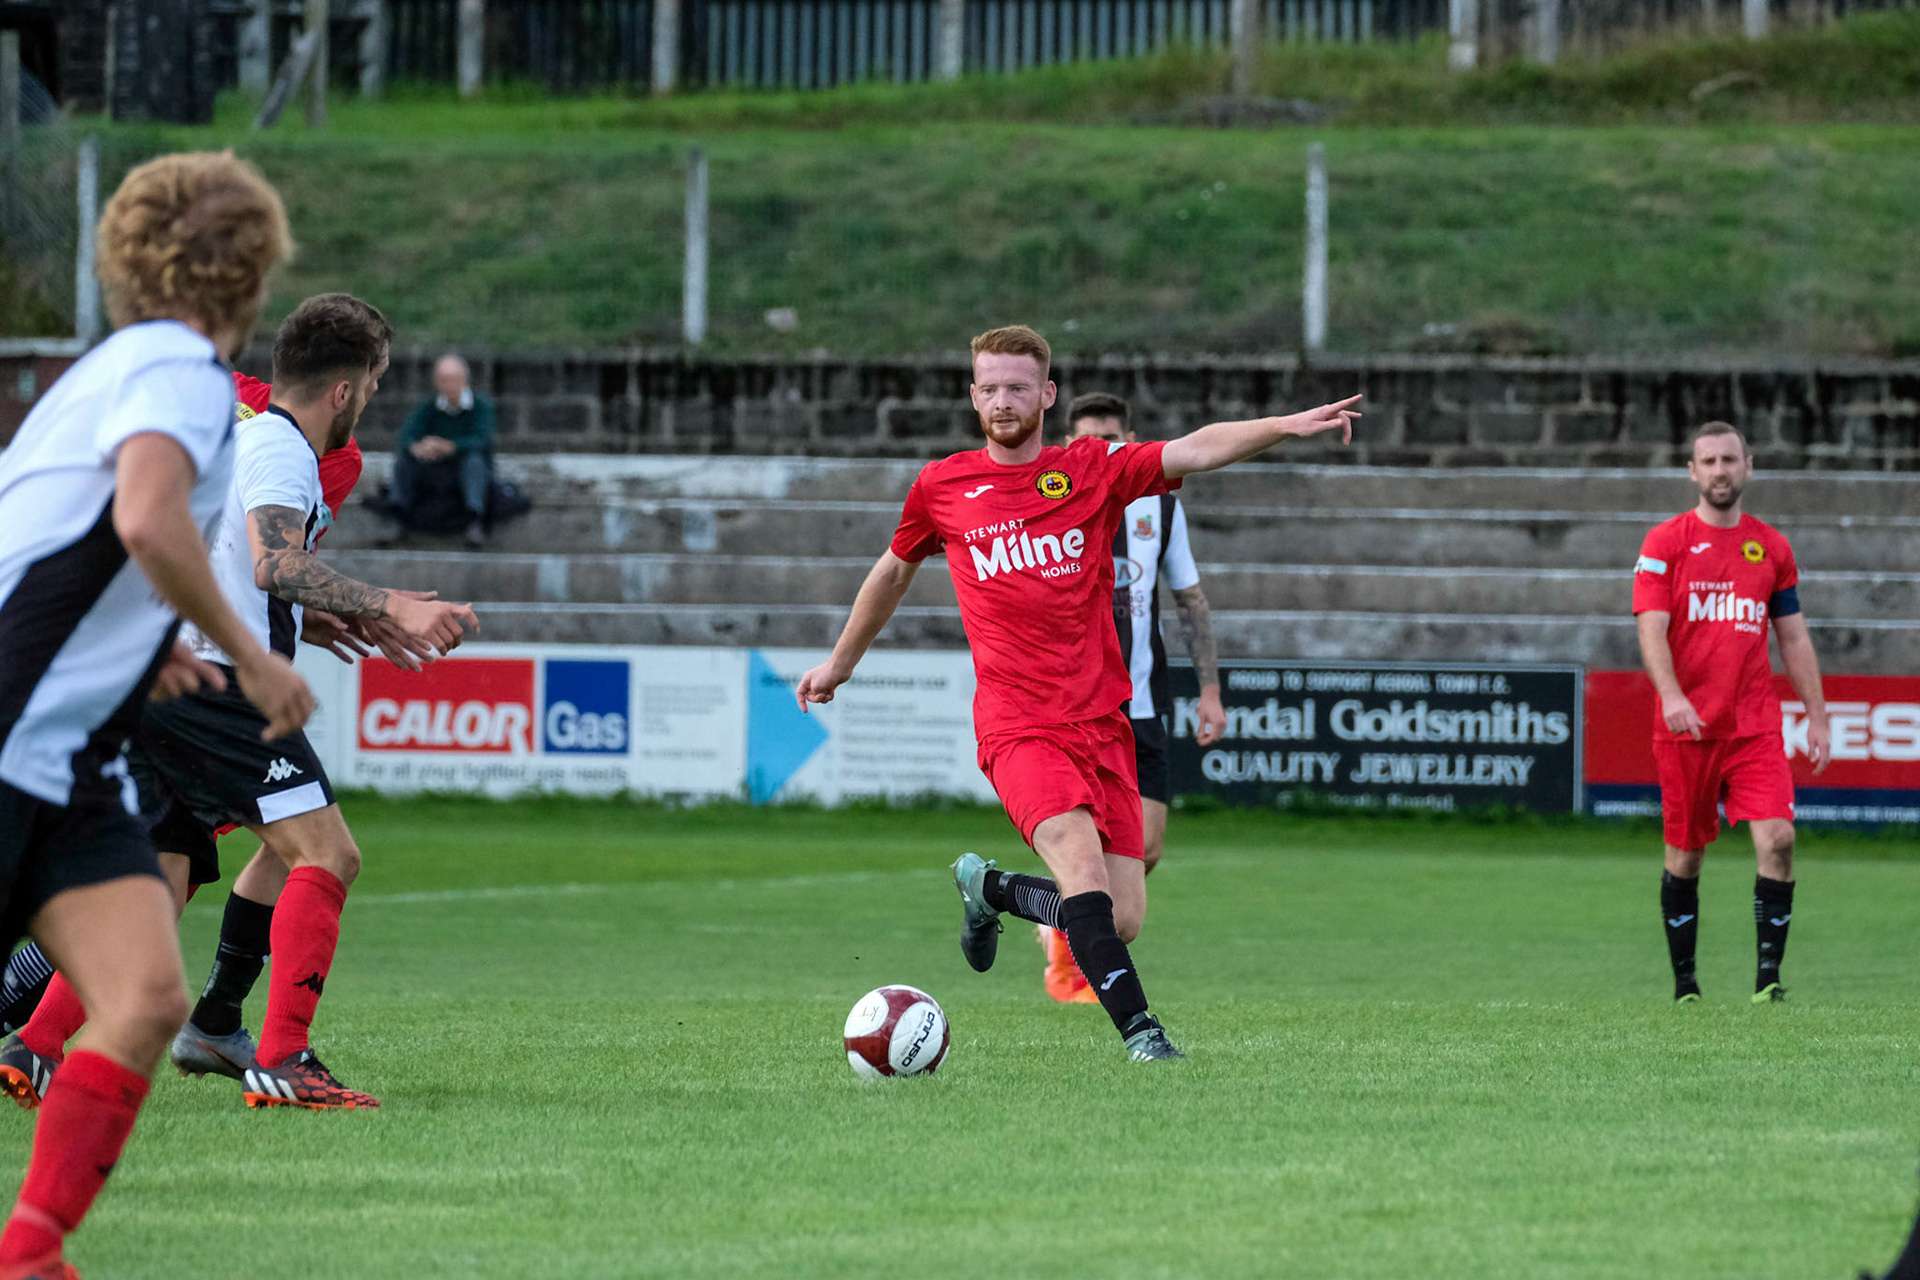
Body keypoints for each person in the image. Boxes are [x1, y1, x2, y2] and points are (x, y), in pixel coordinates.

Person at [796, 325, 1359, 1062]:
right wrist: (841, 662)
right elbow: (894, 570)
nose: (1003, 401)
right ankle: (1144, 1035)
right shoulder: (943, 487)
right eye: (990, 388)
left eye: (1018, 388)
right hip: (1018, 725)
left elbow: (1193, 448)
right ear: (973, 396)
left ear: (1046, 395)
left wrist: (1283, 427)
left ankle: (991, 888)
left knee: (1118, 917)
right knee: (1081, 871)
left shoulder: (1090, 471)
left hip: (1102, 723)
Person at [0, 149, 309, 1277]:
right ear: (254, 265)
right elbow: (142, 513)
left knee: (142, 994)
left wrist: (154, 647)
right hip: (12, 736)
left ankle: (29, 1256)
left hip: (60, 756)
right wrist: (245, 660)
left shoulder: (112, 369)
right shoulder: (180, 368)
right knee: (137, 994)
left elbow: (57, 539)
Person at [0, 362, 439, 1108]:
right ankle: (283, 1058)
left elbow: (223, 542)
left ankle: (38, 1044)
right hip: (217, 677)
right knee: (326, 853)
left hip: (158, 664)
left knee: (167, 875)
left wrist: (309, 612)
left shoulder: (209, 409)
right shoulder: (288, 441)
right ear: (344, 383)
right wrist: (386, 602)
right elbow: (274, 561)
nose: (373, 396)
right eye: (374, 379)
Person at [1031, 392, 1227, 1003]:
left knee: (1144, 851)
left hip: (1145, 704)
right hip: (1081, 707)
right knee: (1091, 855)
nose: (1103, 450)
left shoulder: (1160, 510)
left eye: (1114, 439)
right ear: (1068, 445)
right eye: (1090, 439)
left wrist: (1211, 689)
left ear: (1131, 438)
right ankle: (1073, 960)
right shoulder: (1047, 508)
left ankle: (1053, 916)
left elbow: (1189, 599)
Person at [1632, 420, 1830, 1005]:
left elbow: (1792, 638)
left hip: (1753, 728)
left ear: (1749, 466)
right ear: (1692, 472)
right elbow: (1652, 627)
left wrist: (1816, 714)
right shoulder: (1664, 542)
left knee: (1780, 840)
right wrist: (1671, 696)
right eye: (1709, 461)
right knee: (1686, 857)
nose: (1720, 470)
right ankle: (1686, 985)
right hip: (1687, 728)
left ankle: (1768, 983)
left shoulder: (1771, 547)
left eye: (1729, 459)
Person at [389, 352, 495, 548]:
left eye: (453, 379)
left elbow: (482, 440)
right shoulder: (428, 408)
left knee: (474, 463)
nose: (449, 386)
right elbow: (406, 436)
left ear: (464, 379)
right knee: (405, 462)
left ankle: (475, 521)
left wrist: (451, 446)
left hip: (465, 469)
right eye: (444, 380)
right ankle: (398, 518)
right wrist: (418, 448)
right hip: (435, 470)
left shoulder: (481, 406)